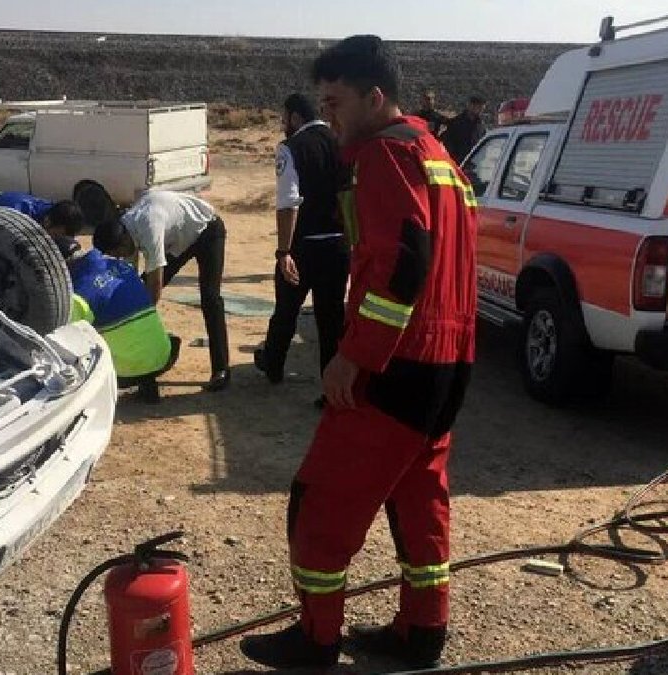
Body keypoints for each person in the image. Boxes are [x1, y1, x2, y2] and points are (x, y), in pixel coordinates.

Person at [239, 35, 478, 671]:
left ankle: (316, 640)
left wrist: (354, 356)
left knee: (319, 500)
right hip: (449, 364)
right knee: (417, 499)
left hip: (398, 364)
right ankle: (422, 633)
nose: (330, 115)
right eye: (322, 101)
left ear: (376, 99)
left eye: (336, 101)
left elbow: (404, 261)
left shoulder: (381, 156)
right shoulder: (440, 157)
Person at [254, 93, 349, 409]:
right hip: (337, 245)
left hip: (303, 247)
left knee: (286, 309)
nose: (283, 125)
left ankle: (274, 366)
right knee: (331, 317)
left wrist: (283, 251)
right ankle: (331, 391)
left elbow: (288, 202)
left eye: (284, 119)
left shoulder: (291, 147)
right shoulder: (340, 141)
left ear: (294, 117)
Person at [92, 190, 230, 392]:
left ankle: (221, 369)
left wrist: (139, 324)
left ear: (123, 242)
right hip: (178, 240)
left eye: (119, 254)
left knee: (210, 298)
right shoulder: (125, 230)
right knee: (138, 292)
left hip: (207, 229)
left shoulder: (149, 229)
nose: (120, 258)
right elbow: (132, 282)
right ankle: (146, 373)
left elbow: (154, 289)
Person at [53, 236, 181, 404]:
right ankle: (148, 381)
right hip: (164, 357)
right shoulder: (122, 266)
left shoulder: (79, 294)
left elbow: (67, 339)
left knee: (72, 349)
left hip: (123, 374)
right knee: (134, 331)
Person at [0, 191, 86, 238]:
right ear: (47, 222)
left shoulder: (54, 212)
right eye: (57, 235)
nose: (58, 239)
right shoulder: (16, 219)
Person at [440, 95, 488, 163]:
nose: (481, 111)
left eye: (482, 109)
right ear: (471, 106)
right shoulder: (456, 122)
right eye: (479, 107)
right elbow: (447, 143)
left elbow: (483, 147)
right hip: (458, 164)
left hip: (474, 165)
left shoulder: (481, 126)